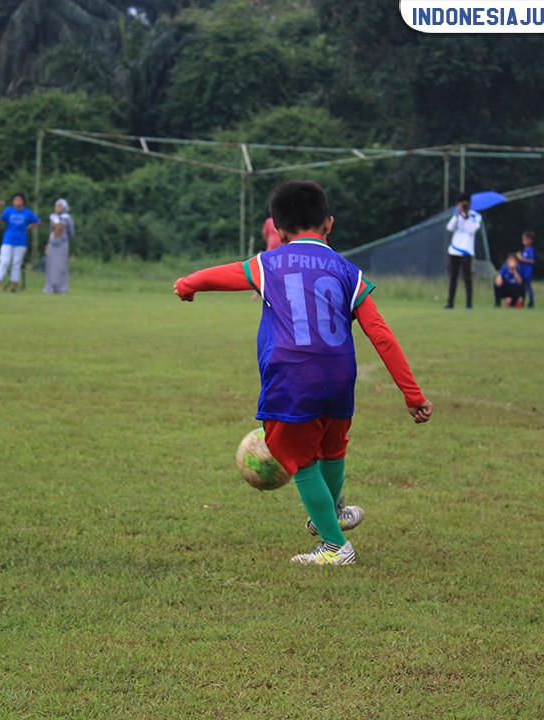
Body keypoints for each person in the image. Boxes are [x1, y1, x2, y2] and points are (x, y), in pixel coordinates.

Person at [173, 180, 433, 566]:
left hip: (292, 375)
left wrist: (186, 285)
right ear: (329, 224)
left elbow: (219, 275)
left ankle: (334, 546)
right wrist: (413, 395)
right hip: (341, 374)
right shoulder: (348, 270)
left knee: (294, 455)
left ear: (278, 229)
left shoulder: (270, 262)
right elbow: (380, 334)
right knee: (332, 446)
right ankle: (331, 510)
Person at [0, 193, 39, 293]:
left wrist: (30, 226)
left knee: (16, 263)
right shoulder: (9, 211)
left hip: (21, 241)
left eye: (19, 200)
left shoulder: (27, 212)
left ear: (23, 201)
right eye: (15, 200)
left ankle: (13, 286)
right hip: (8, 240)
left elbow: (38, 221)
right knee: (4, 261)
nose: (16, 202)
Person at [444, 192, 481, 309]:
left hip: (466, 250)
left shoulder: (476, 216)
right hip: (454, 249)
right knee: (453, 277)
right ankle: (450, 302)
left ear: (469, 204)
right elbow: (449, 228)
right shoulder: (456, 215)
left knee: (467, 277)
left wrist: (467, 216)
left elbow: (472, 230)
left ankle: (469, 303)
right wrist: (458, 215)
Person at [44, 198, 74, 294]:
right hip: (52, 243)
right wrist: (48, 243)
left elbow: (71, 233)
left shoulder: (68, 218)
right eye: (56, 206)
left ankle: (62, 288)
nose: (57, 208)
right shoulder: (52, 217)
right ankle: (50, 287)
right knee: (51, 265)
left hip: (63, 244)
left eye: (60, 206)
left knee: (62, 266)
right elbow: (50, 231)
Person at [514, 230, 536, 307]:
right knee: (522, 288)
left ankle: (531, 302)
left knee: (528, 288)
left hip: (527, 273)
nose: (524, 241)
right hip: (522, 273)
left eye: (526, 239)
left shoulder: (530, 250)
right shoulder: (524, 250)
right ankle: (521, 302)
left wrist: (521, 258)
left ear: (530, 240)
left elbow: (532, 261)